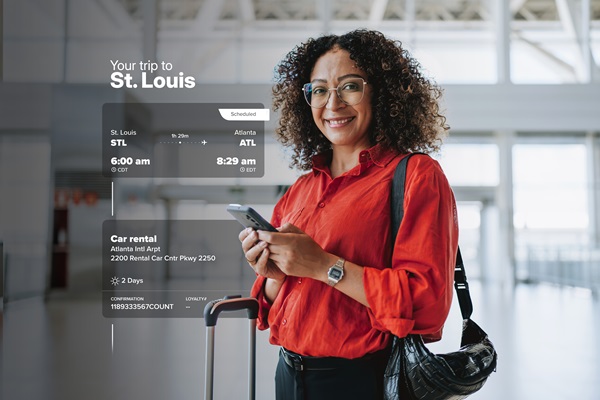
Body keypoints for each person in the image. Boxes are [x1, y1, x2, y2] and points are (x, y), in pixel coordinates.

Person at [238, 29, 458, 400]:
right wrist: (274, 274)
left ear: (382, 93)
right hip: (287, 375)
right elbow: (276, 305)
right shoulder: (300, 190)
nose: (332, 104)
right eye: (319, 90)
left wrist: (323, 265)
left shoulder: (416, 175)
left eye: (350, 86)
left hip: (361, 381)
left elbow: (427, 303)